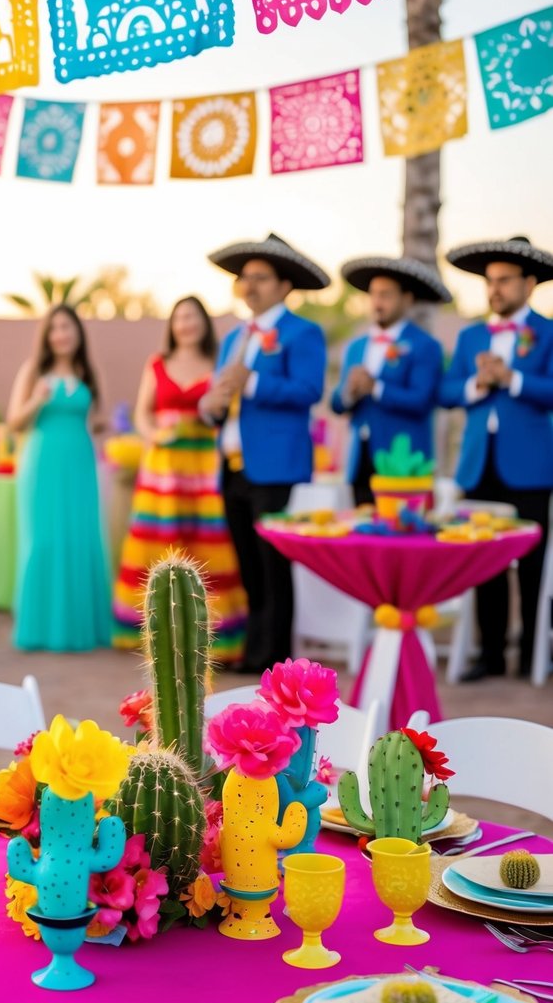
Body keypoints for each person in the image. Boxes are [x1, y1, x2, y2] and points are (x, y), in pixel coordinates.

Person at [199, 233, 329, 674]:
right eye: (245, 277)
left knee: (273, 568)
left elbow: (309, 390)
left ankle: (274, 660)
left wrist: (250, 381)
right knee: (249, 568)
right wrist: (212, 407)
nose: (249, 285)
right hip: (234, 466)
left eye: (260, 277)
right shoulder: (234, 336)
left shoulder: (302, 332)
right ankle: (255, 653)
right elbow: (221, 391)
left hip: (276, 467)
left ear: (283, 285)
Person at [441, 235, 553, 681]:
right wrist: (478, 385)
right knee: (483, 561)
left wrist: (513, 378)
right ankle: (488, 655)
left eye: (505, 280)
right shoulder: (470, 336)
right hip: (476, 463)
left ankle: (530, 655)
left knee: (532, 563)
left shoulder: (548, 332)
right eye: (490, 281)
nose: (495, 289)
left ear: (528, 283)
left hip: (530, 466)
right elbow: (447, 391)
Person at [113, 296, 247, 661]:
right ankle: (156, 630)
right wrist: (154, 434)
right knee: (160, 543)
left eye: (193, 316)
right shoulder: (157, 364)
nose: (186, 323)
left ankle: (211, 633)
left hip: (204, 463)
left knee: (205, 544)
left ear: (204, 322)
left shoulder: (218, 364)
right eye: (180, 317)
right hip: (164, 466)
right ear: (171, 325)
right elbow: (142, 413)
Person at [8, 304, 111, 651]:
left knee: (81, 538)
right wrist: (36, 400)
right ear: (46, 335)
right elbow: (14, 422)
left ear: (78, 332)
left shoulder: (88, 372)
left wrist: (102, 425)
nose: (61, 334)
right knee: (44, 540)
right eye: (55, 328)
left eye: (67, 327)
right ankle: (40, 630)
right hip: (43, 463)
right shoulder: (33, 371)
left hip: (80, 462)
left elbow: (99, 418)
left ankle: (84, 628)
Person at [331, 257, 450, 505]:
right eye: (373, 295)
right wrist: (350, 392)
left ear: (406, 299)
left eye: (385, 295)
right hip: (359, 459)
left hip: (404, 462)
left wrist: (376, 388)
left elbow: (422, 401)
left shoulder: (424, 345)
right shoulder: (356, 346)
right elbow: (336, 404)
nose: (377, 302)